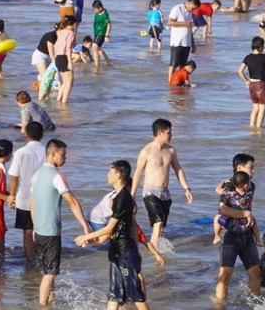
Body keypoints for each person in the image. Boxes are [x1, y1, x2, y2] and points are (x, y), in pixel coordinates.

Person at [74, 161, 151, 310]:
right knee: (115, 295)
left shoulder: (123, 199)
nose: (107, 175)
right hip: (117, 252)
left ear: (118, 175)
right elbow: (113, 231)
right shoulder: (117, 198)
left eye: (110, 172)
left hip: (125, 253)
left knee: (136, 296)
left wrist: (86, 237)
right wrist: (92, 242)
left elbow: (109, 227)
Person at [30, 138, 91, 306]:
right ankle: (42, 306)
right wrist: (85, 227)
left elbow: (32, 203)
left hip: (39, 231)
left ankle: (51, 301)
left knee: (49, 271)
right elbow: (72, 202)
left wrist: (35, 227)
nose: (65, 158)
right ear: (52, 154)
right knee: (50, 273)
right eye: (63, 155)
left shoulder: (36, 175)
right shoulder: (57, 176)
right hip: (50, 232)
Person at [131, 119, 193, 249]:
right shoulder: (146, 151)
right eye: (168, 132)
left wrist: (186, 189)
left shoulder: (171, 151)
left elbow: (178, 169)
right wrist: (131, 195)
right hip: (150, 192)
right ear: (159, 133)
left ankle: (156, 258)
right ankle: (155, 254)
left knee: (160, 228)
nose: (171, 135)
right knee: (158, 223)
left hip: (165, 193)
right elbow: (137, 173)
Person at [213, 170, 261, 302]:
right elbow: (223, 210)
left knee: (255, 273)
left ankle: (255, 304)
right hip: (230, 236)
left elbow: (217, 189)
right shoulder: (229, 191)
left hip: (247, 235)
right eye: (250, 168)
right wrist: (246, 213)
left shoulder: (250, 189)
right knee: (224, 276)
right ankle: (220, 306)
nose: (252, 172)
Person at [7, 122, 46, 259]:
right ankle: (42, 257)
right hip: (44, 198)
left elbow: (14, 178)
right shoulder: (47, 152)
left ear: (26, 135)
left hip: (24, 198)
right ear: (42, 135)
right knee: (41, 230)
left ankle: (30, 261)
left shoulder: (20, 152)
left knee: (27, 232)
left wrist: (12, 196)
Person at [237, 36, 265, 129]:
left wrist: (247, 81)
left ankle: (251, 126)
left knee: (255, 108)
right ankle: (259, 128)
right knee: (262, 108)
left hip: (252, 85)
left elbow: (240, 71)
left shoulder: (248, 57)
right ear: (260, 46)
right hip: (261, 84)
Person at [167, 0, 198, 82]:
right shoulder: (177, 8)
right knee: (173, 64)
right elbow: (169, 22)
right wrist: (184, 23)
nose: (193, 10)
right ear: (189, 3)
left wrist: (193, 44)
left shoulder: (190, 13)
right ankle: (170, 82)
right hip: (177, 42)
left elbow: (190, 29)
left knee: (183, 65)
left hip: (187, 43)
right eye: (192, 8)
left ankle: (180, 82)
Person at [54, 16, 77, 104]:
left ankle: (59, 100)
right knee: (69, 82)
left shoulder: (61, 32)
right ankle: (64, 103)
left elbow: (56, 46)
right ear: (73, 23)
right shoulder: (70, 33)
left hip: (58, 58)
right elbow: (68, 48)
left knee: (65, 82)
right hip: (64, 57)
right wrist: (70, 63)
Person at [91, 0, 112, 67]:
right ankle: (109, 63)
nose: (95, 10)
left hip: (101, 33)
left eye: (95, 9)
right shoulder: (98, 13)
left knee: (94, 47)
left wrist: (107, 36)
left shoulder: (104, 15)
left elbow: (109, 25)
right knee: (98, 49)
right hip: (96, 32)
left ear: (100, 8)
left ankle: (97, 65)